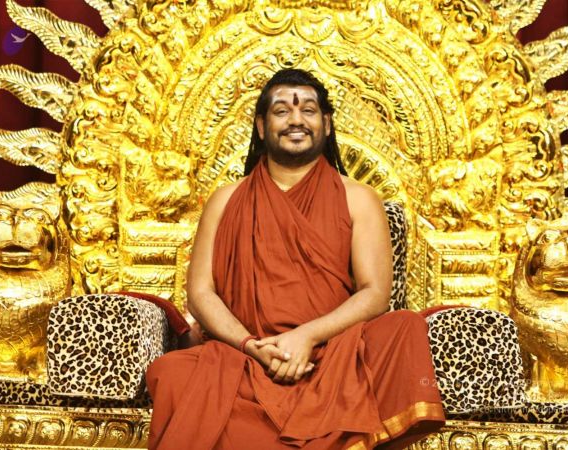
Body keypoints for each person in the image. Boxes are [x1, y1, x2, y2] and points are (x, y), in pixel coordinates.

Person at [146, 69, 444, 450]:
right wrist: (251, 345)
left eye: (308, 110)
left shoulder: (358, 198)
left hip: (332, 355)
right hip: (247, 359)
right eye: (282, 110)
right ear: (261, 126)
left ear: (327, 124)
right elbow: (201, 293)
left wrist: (306, 337)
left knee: (404, 327)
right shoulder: (225, 200)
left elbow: (375, 294)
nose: (296, 120)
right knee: (172, 372)